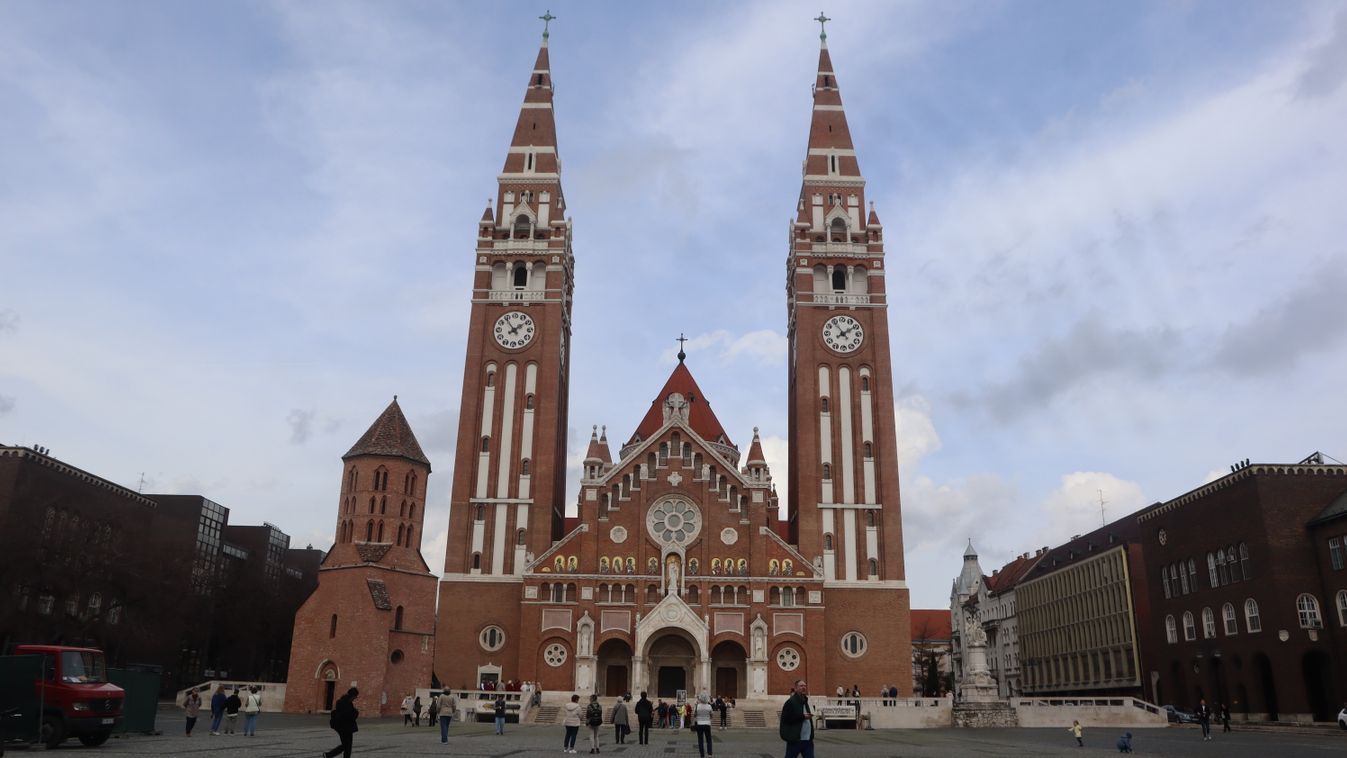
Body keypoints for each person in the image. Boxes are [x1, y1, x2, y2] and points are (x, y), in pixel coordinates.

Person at [780, 679, 815, 758]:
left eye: (805, 686)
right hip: (795, 740)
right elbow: (786, 719)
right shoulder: (790, 702)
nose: (804, 687)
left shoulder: (806, 701)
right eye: (801, 686)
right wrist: (803, 717)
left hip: (807, 740)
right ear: (796, 688)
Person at [323, 687, 359, 758]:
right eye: (355, 697)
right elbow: (347, 716)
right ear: (352, 696)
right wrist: (356, 712)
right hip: (344, 727)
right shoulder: (345, 703)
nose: (355, 698)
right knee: (346, 745)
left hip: (344, 727)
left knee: (347, 745)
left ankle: (329, 755)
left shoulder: (345, 701)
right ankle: (328, 755)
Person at [693, 692, 714, 758]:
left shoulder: (697, 706)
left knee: (700, 740)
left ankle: (702, 755)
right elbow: (711, 716)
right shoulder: (709, 706)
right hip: (707, 724)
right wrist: (708, 717)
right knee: (709, 740)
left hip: (699, 724)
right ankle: (710, 754)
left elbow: (694, 715)